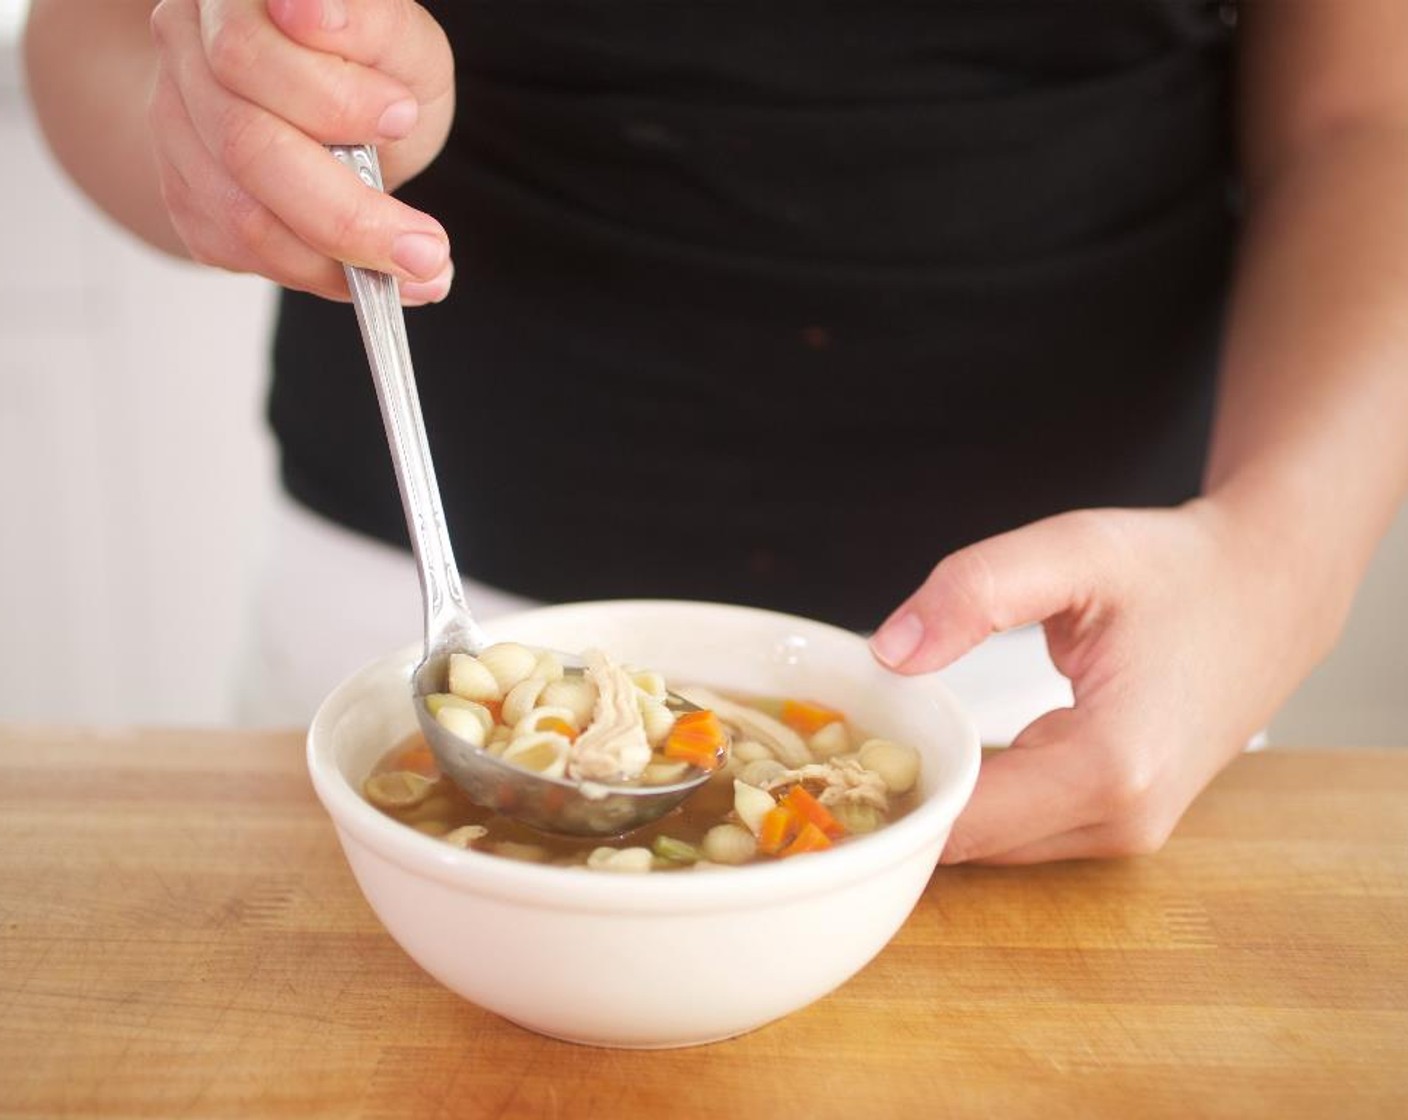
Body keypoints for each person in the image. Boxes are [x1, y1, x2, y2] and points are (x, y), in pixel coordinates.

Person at [22, 0, 1408, 865]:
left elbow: (1368, 115)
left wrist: (1281, 561)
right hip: (398, 640)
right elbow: (92, 27)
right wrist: (208, 124)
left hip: (1103, 650)